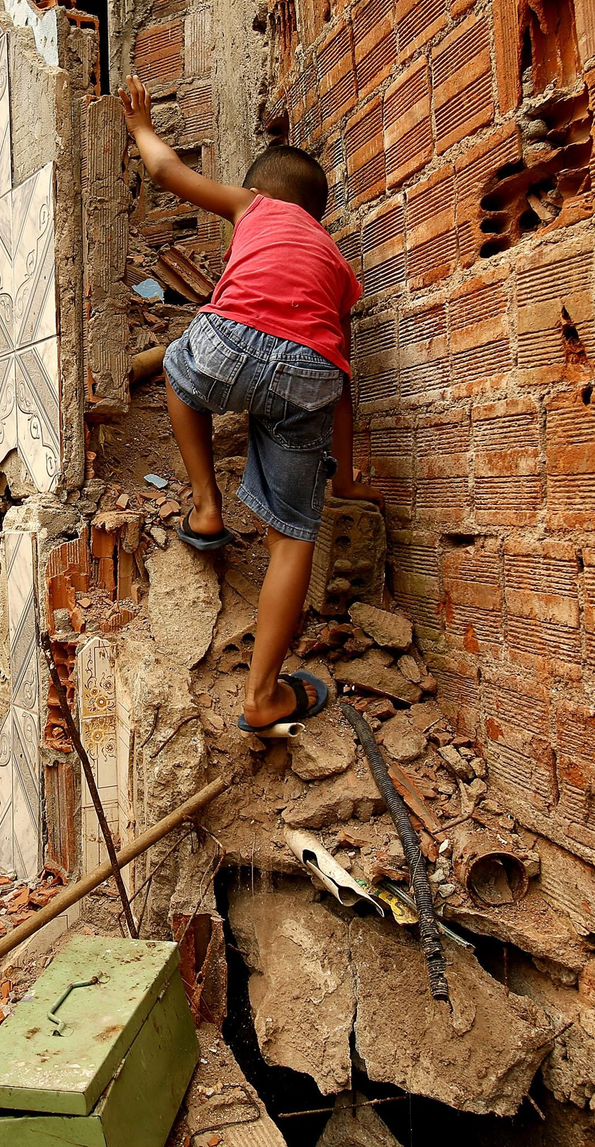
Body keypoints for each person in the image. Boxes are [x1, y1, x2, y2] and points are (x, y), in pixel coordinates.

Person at [119, 72, 384, 735]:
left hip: (229, 344)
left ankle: (208, 508)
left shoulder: (256, 207)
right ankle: (263, 696)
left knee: (181, 371)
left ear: (260, 192)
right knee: (293, 537)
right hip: (313, 373)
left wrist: (142, 126)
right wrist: (345, 476)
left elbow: (167, 170)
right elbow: (344, 379)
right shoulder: (337, 266)